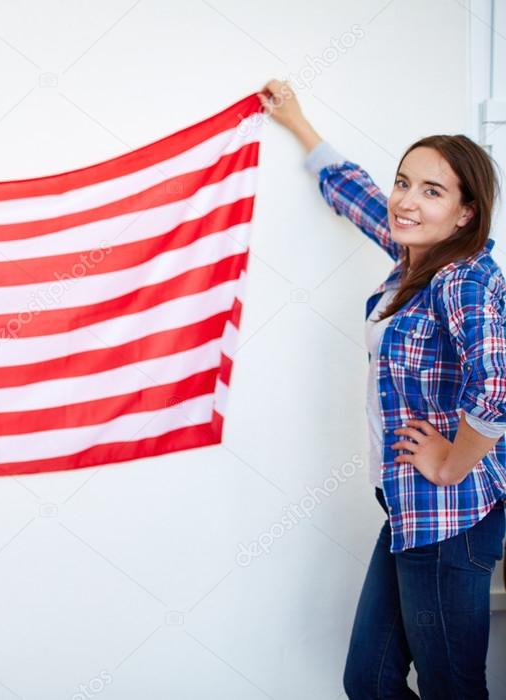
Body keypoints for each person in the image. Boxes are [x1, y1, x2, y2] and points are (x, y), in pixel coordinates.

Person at [260, 79, 506, 697]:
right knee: (369, 679)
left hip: (451, 518)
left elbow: (499, 386)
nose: (406, 201)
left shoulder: (463, 280)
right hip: (407, 506)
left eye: (431, 190)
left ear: (466, 211)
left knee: (452, 685)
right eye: (405, 182)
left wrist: (450, 463)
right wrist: (298, 123)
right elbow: (359, 197)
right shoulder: (416, 259)